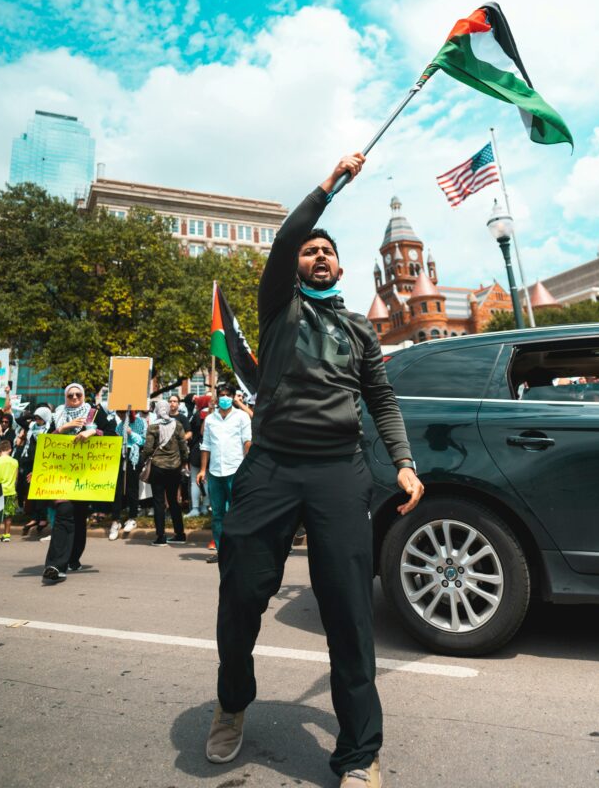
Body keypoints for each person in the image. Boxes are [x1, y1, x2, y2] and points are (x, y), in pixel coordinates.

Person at [205, 152, 424, 788]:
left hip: (338, 473)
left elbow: (380, 399)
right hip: (269, 469)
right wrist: (331, 184)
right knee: (241, 595)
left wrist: (404, 463)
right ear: (295, 266)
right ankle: (233, 701)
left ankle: (358, 751)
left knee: (350, 613)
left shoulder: (360, 330)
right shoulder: (278, 309)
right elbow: (285, 237)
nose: (318, 255)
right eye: (309, 251)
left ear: (343, 266)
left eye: (327, 251)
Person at [42, 383, 100, 581]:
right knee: (63, 514)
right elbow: (45, 445)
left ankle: (73, 558)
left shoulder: (94, 414)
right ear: (65, 397)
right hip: (61, 477)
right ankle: (55, 565)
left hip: (85, 477)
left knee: (79, 518)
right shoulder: (57, 415)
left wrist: (92, 432)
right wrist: (63, 428)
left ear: (83, 396)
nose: (74, 398)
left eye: (78, 394)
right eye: (70, 395)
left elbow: (113, 436)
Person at [198, 384, 251, 563]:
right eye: (222, 394)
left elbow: (247, 442)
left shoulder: (242, 417)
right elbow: (205, 445)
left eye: (228, 394)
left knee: (236, 513)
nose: (225, 397)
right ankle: (222, 552)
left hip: (235, 470)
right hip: (214, 472)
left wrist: (247, 466)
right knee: (218, 515)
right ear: (217, 397)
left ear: (233, 396)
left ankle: (239, 550)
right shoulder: (210, 419)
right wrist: (203, 469)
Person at [141, 399, 189, 545]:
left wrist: (144, 459)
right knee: (174, 501)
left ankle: (160, 536)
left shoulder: (153, 427)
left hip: (158, 468)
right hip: (174, 468)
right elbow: (183, 445)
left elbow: (148, 448)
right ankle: (180, 534)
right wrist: (183, 461)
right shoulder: (177, 424)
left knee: (158, 502)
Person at [108, 410, 147, 540]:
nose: (121, 415)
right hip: (120, 456)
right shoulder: (119, 426)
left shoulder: (140, 422)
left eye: (123, 413)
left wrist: (130, 432)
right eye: (119, 413)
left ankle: (132, 517)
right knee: (117, 488)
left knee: (132, 487)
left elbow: (143, 440)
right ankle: (115, 520)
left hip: (134, 457)